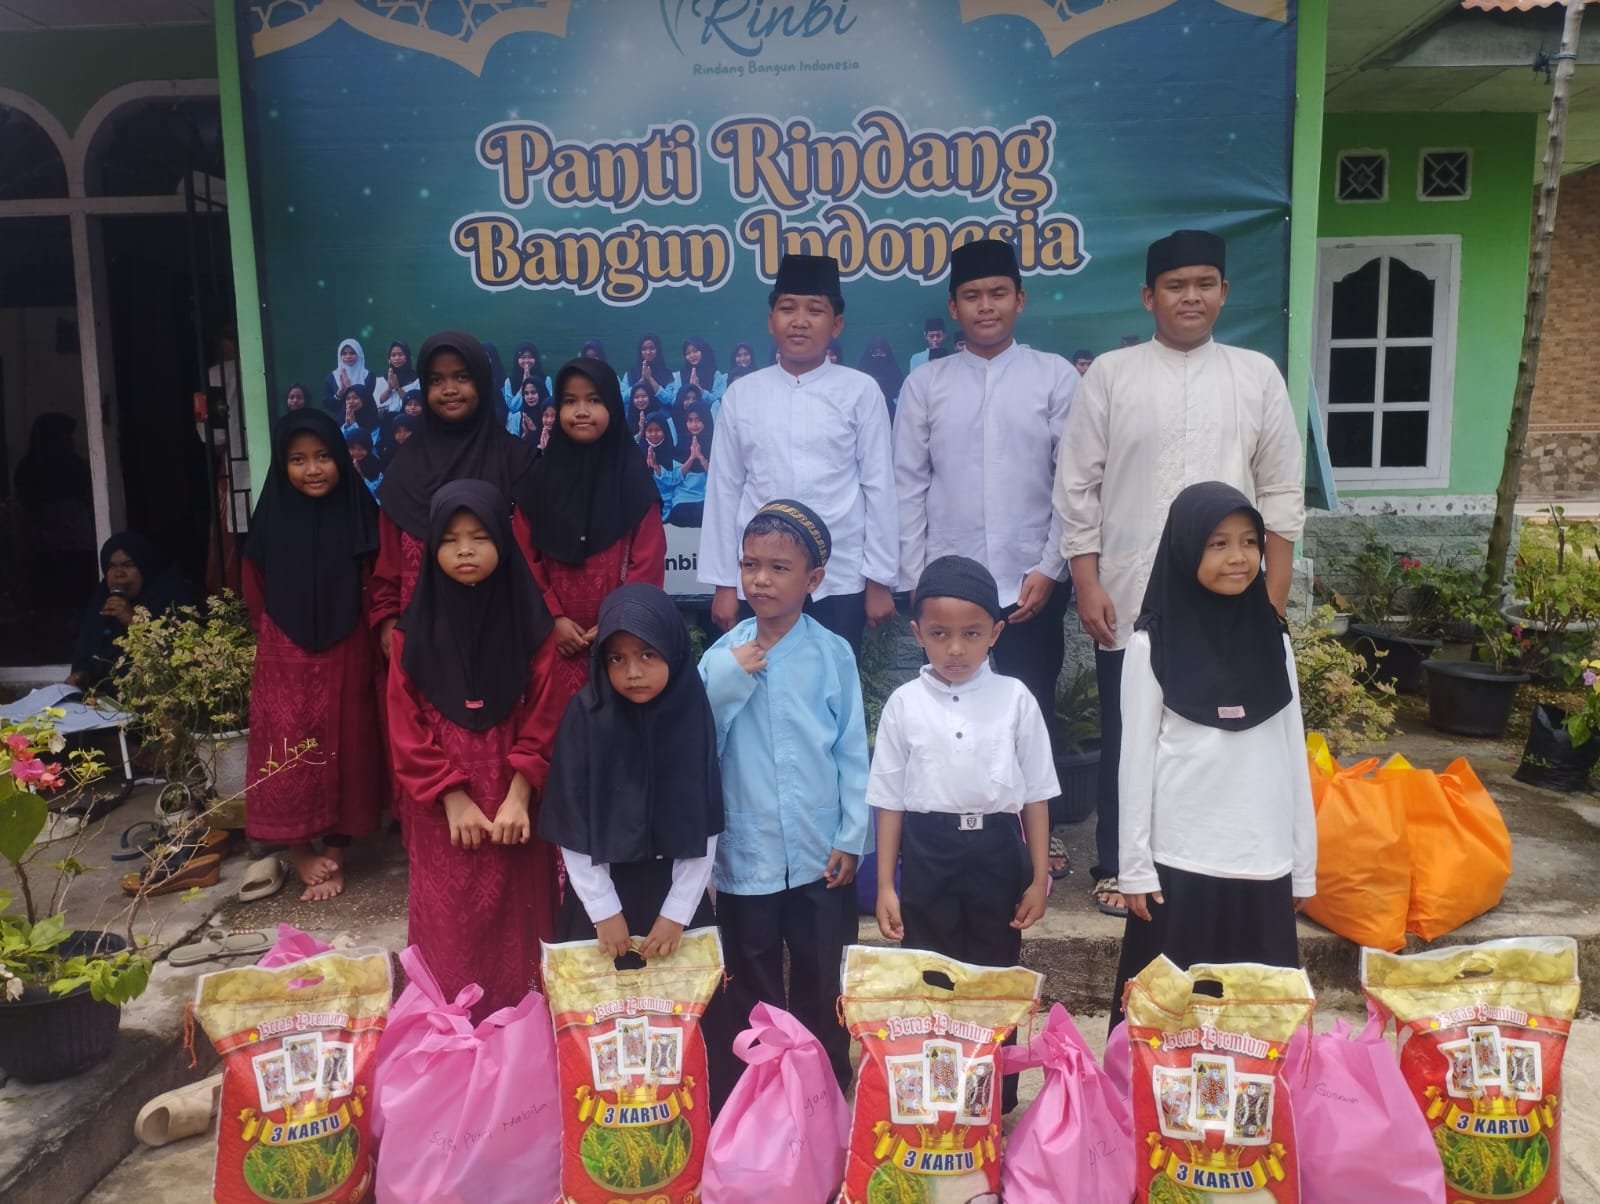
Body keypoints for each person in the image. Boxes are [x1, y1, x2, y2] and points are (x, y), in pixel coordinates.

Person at [1053, 229, 1305, 919]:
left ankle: (1222, 860)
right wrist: (1086, 581)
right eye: (1175, 285)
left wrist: (1274, 593)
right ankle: (1119, 864)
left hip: (1234, 593)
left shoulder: (1256, 374)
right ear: (1148, 297)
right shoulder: (1111, 375)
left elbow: (1282, 488)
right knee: (1130, 731)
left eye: (1203, 284)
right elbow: (1077, 486)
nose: (1190, 297)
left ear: (1224, 293)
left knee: (1228, 734)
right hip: (1132, 589)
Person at [894, 238, 1078, 861]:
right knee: (947, 712)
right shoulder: (926, 384)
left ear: (1020, 300)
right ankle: (950, 829)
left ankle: (1035, 839)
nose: (986, 306)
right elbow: (908, 484)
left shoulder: (1054, 377)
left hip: (1030, 582)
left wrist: (1050, 568)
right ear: (954, 307)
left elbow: (1072, 482)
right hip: (950, 586)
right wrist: (918, 579)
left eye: (998, 293)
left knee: (1030, 709)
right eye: (972, 296)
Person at [1108, 481, 1314, 1027]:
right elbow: (1134, 764)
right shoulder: (1152, 643)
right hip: (1181, 863)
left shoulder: (1274, 639)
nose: (1238, 557)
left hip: (1263, 860)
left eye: (1249, 542)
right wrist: (1135, 867)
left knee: (1257, 1026)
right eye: (1218, 543)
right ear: (1185, 549)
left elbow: (1292, 754)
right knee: (1168, 1024)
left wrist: (1303, 867)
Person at [870, 554, 1057, 1111]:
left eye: (972, 634)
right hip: (928, 850)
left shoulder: (1015, 699)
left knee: (994, 973)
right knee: (930, 973)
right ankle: (935, 1094)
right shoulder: (904, 705)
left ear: (995, 633)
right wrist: (886, 884)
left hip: (998, 850)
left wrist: (1038, 877)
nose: (955, 648)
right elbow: (889, 800)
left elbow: (1037, 794)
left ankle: (992, 1099)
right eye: (940, 634)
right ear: (917, 633)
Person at [699, 500, 868, 1093]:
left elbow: (852, 750)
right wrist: (729, 675)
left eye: (778, 568)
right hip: (749, 849)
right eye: (750, 565)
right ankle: (762, 1085)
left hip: (820, 848)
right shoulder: (721, 657)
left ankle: (824, 1083)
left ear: (813, 579)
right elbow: (700, 740)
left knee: (824, 970)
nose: (760, 580)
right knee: (751, 970)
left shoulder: (832, 653)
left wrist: (852, 835)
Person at [387, 479, 565, 1019]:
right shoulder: (410, 635)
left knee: (521, 930)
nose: (465, 550)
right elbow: (404, 724)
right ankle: (450, 1044)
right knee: (450, 936)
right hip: (443, 814)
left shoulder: (532, 628)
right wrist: (451, 796)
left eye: (480, 537)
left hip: (516, 810)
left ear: (504, 543)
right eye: (450, 539)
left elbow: (547, 714)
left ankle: (523, 1044)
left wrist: (519, 795)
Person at [700, 253, 898, 653]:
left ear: (836, 324)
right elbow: (724, 490)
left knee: (832, 680)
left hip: (839, 577)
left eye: (815, 310)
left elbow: (879, 488)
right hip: (760, 579)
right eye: (788, 308)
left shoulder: (860, 391)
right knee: (759, 679)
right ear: (770, 320)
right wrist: (724, 583)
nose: (800, 321)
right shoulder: (742, 394)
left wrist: (879, 579)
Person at [242, 410, 383, 901]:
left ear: (341, 458)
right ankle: (300, 849)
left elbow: (378, 580)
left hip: (350, 643)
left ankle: (337, 849)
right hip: (286, 649)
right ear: (282, 466)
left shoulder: (360, 511)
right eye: (298, 459)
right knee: (287, 745)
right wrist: (278, 636)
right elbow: (255, 587)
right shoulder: (272, 517)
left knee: (349, 740)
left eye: (323, 456)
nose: (313, 469)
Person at [540, 583, 722, 957]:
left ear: (673, 650)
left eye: (648, 654)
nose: (633, 672)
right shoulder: (586, 717)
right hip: (598, 899)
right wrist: (603, 910)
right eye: (616, 659)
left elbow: (703, 823)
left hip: (675, 899)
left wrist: (676, 913)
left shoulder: (690, 716)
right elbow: (571, 822)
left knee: (684, 992)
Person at [370, 330, 538, 660]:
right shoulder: (405, 468)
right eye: (436, 380)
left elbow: (534, 558)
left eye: (462, 377)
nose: (449, 390)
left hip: (505, 636)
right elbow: (388, 561)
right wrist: (388, 619)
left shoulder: (517, 461)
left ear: (482, 381)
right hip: (421, 639)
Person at [517, 357, 666, 708]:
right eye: (570, 401)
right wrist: (553, 618)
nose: (581, 411)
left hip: (620, 642)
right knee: (553, 727)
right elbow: (523, 558)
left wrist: (619, 621)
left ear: (612, 405)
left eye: (594, 400)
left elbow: (648, 560)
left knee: (617, 725)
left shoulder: (633, 480)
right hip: (552, 638)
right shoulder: (538, 481)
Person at [67, 533, 189, 690]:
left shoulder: (169, 599)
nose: (119, 573)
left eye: (128, 565)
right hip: (99, 702)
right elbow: (88, 653)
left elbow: (174, 658)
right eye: (112, 566)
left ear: (144, 567)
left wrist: (133, 621)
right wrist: (82, 675)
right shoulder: (101, 600)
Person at [670, 400, 713, 528]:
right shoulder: (681, 444)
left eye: (698, 420)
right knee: (678, 515)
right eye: (690, 420)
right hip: (685, 494)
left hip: (705, 493)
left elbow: (718, 477)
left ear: (706, 420)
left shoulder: (715, 444)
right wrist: (691, 458)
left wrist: (701, 458)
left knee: (704, 514)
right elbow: (676, 478)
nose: (694, 425)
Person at [503, 340, 551, 434]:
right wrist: (524, 383)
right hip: (518, 421)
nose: (526, 361)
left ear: (535, 359)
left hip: (541, 421)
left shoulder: (546, 379)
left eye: (530, 357)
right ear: (517, 359)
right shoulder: (509, 381)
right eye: (523, 357)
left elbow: (548, 405)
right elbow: (513, 408)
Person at [641, 413, 681, 518]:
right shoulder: (637, 451)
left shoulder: (674, 453)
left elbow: (674, 481)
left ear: (665, 430)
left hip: (666, 499)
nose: (654, 434)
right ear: (644, 433)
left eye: (658, 430)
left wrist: (656, 467)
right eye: (649, 431)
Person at [857, 336, 904, 418]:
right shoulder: (862, 373)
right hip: (865, 411)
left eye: (882, 353)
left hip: (890, 413)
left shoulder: (894, 372)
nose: (879, 356)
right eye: (875, 353)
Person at [671, 336, 727, 406]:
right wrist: (687, 395)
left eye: (695, 351)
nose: (692, 355)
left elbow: (718, 401)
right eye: (688, 353)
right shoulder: (680, 375)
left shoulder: (715, 374)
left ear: (703, 351)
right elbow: (674, 401)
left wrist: (699, 389)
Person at [620, 333, 672, 401]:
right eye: (644, 349)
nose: (648, 352)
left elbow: (669, 400)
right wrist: (641, 380)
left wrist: (650, 379)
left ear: (658, 350)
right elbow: (621, 399)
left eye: (652, 348)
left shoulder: (667, 375)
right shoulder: (630, 375)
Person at [372, 340, 420, 413]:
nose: (397, 358)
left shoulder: (416, 380)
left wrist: (398, 388)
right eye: (393, 355)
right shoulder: (381, 380)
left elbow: (415, 404)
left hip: (408, 417)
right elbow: (379, 402)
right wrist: (389, 388)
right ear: (389, 359)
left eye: (400, 354)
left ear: (407, 357)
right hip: (387, 417)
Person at [322, 338, 370, 408]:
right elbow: (328, 405)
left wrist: (350, 388)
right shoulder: (331, 378)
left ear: (359, 354)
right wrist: (340, 391)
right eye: (344, 354)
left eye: (352, 353)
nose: (348, 356)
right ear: (339, 356)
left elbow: (369, 402)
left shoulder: (368, 376)